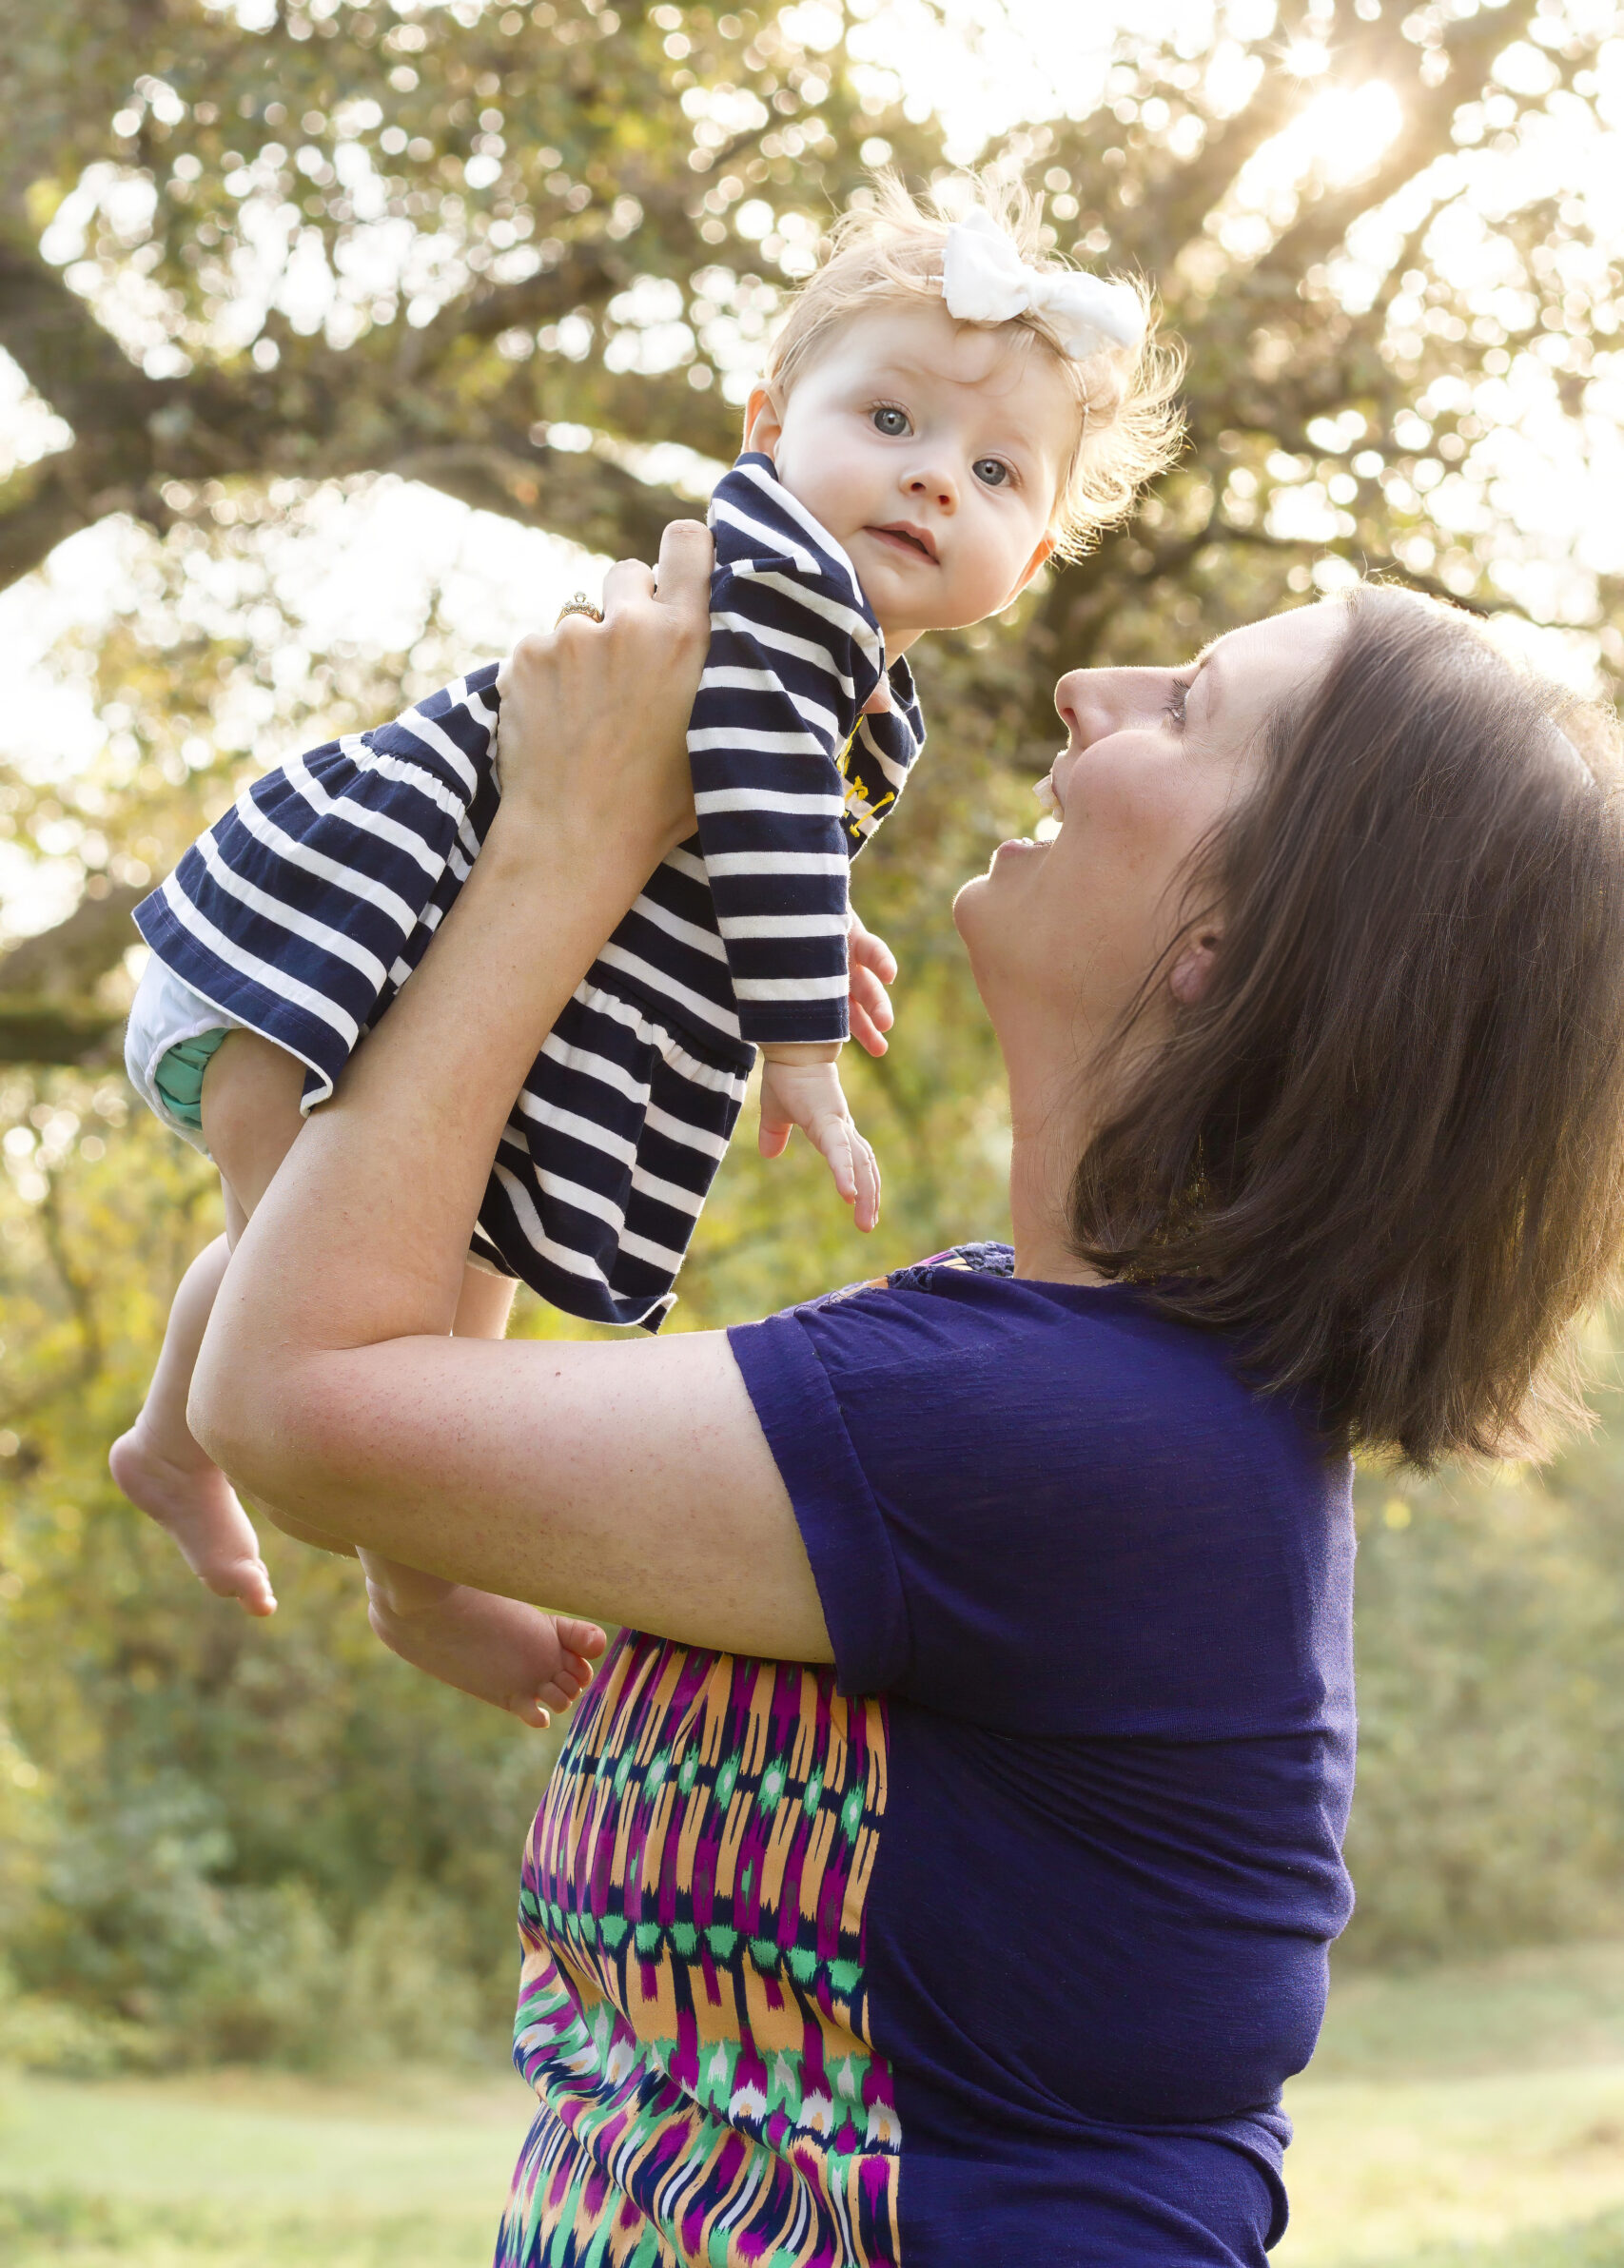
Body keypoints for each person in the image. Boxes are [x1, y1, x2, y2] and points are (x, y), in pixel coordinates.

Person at [188, 535, 1624, 2265]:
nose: (1087, 692)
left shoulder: (1068, 1439)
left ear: (1230, 945)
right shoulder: (1030, 1369)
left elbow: (295, 1404)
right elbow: (379, 1403)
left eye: (1186, 705)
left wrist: (569, 837)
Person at [108, 174, 1184, 1726]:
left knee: (384, 1291)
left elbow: (730, 835)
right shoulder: (777, 602)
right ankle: (413, 1579)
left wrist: (811, 930)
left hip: (421, 974)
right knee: (381, 1329)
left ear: (1039, 553)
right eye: (889, 423)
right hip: (341, 944)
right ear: (765, 424)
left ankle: (180, 1446)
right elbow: (741, 772)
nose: (937, 479)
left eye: (999, 471)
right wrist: (799, 1042)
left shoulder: (853, 664)